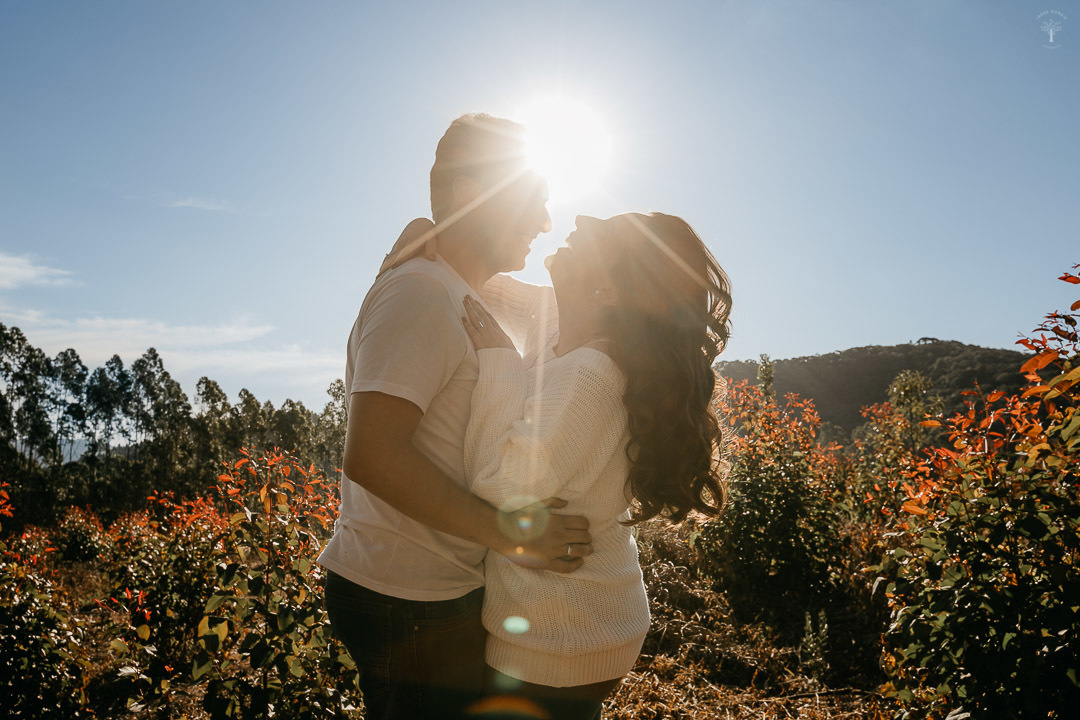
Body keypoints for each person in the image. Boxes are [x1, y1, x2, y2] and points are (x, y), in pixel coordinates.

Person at [388, 211, 732, 719]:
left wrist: (499, 363)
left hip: (560, 636)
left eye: (605, 234)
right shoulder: (559, 317)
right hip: (587, 618)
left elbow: (498, 483)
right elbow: (473, 288)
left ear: (608, 292)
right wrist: (428, 236)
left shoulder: (590, 376)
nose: (583, 217)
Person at [317, 114, 597, 720]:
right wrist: (518, 538)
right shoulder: (419, 291)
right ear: (474, 195)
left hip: (431, 589)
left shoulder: (457, 290)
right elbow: (372, 454)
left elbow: (574, 317)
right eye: (532, 201)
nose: (545, 223)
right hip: (407, 595)